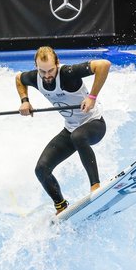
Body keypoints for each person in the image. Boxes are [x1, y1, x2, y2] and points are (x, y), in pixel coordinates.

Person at [16, 46, 111, 214]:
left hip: (94, 124)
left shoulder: (68, 73)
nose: (47, 76)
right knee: (41, 169)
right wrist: (25, 101)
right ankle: (60, 206)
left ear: (57, 64)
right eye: (42, 71)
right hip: (70, 130)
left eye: (50, 70)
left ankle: (95, 186)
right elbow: (18, 79)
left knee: (78, 136)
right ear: (36, 67)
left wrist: (92, 97)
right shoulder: (35, 77)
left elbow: (104, 64)